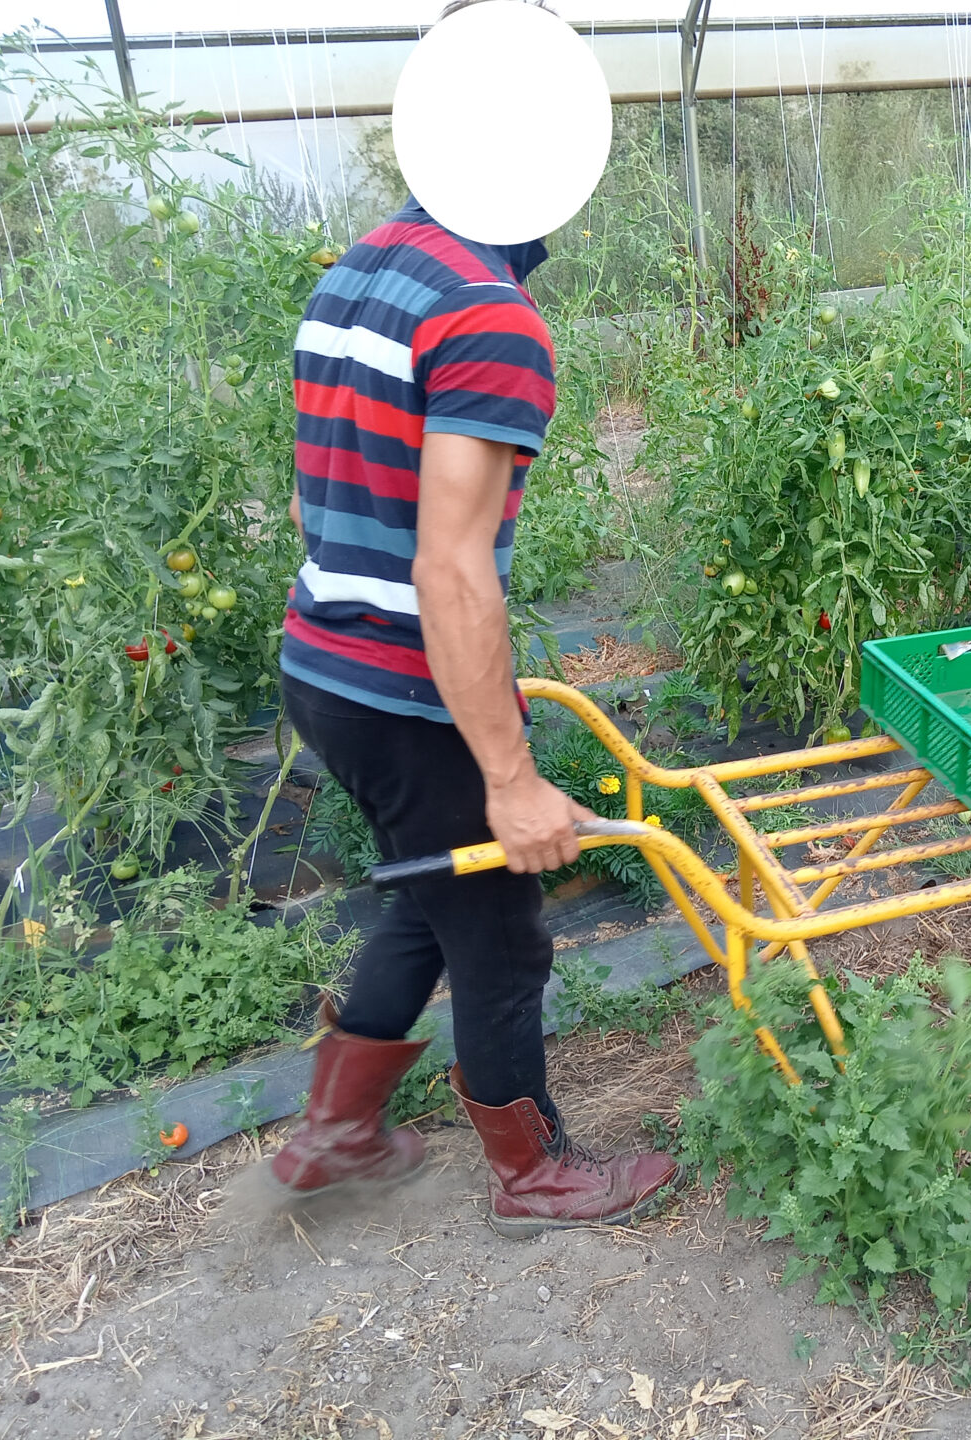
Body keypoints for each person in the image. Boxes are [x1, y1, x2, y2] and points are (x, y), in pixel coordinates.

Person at [266, 190, 677, 1235]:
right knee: (498, 933)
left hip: (324, 661)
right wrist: (510, 777)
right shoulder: (486, 313)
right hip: (407, 684)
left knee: (432, 890)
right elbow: (451, 568)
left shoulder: (364, 266)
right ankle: (534, 1174)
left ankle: (336, 1128)